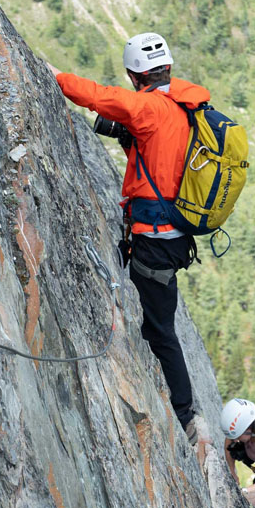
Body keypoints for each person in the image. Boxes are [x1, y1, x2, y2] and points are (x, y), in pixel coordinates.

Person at [47, 33, 211, 444]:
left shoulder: (149, 107)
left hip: (155, 240)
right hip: (170, 236)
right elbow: (153, 158)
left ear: (134, 75)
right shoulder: (181, 108)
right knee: (157, 320)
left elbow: (100, 97)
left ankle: (185, 415)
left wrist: (57, 76)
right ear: (166, 68)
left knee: (159, 329)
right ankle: (181, 406)